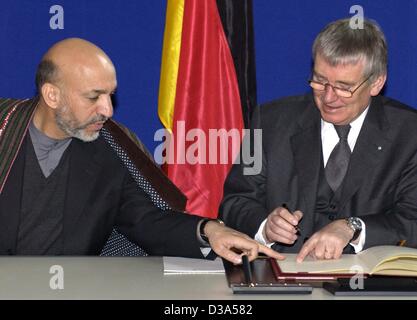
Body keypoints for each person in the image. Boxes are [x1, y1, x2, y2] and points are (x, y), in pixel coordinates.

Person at [0, 38, 283, 264]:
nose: (107, 110)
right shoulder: (5, 129)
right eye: (93, 97)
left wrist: (209, 231)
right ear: (52, 95)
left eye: (110, 95)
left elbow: (148, 221)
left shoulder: (110, 148)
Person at [220, 18, 417, 262]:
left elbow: (412, 219)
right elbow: (235, 202)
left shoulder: (409, 134)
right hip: (282, 279)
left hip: (367, 285)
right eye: (320, 81)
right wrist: (265, 225)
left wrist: (353, 228)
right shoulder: (269, 122)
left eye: (344, 87)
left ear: (376, 83)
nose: (329, 97)